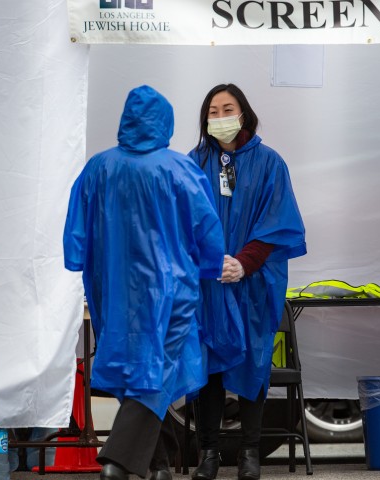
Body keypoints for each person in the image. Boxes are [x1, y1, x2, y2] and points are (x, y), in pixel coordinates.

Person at [63, 85, 225, 480]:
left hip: (113, 292)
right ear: (164, 122)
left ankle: (160, 464)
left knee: (136, 372)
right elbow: (208, 233)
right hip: (171, 293)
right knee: (157, 373)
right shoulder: (178, 169)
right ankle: (117, 461)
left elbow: (74, 238)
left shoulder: (98, 168)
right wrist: (208, 267)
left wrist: (82, 263)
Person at [189, 84, 306, 480]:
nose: (220, 117)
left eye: (228, 108)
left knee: (254, 361)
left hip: (253, 282)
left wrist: (243, 263)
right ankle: (207, 453)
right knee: (209, 367)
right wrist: (210, 262)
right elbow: (183, 220)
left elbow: (277, 222)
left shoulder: (270, 163)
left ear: (244, 113)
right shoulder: (194, 163)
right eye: (213, 110)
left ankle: (250, 454)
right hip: (209, 284)